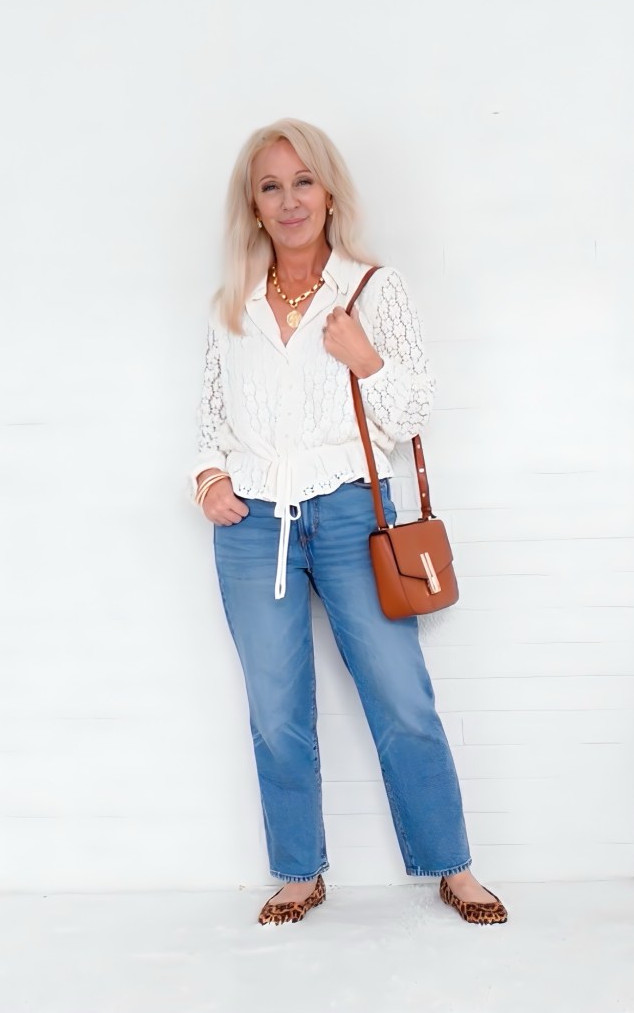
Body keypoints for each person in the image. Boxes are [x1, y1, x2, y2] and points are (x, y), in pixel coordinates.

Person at [190, 118, 507, 927]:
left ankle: (453, 864)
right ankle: (299, 870)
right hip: (253, 524)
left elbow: (412, 409)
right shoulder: (233, 302)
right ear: (253, 206)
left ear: (329, 194)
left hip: (350, 511)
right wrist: (208, 475)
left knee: (401, 693)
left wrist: (365, 358)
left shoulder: (371, 288)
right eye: (271, 185)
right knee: (274, 705)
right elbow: (212, 414)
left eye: (303, 181)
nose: (289, 199)